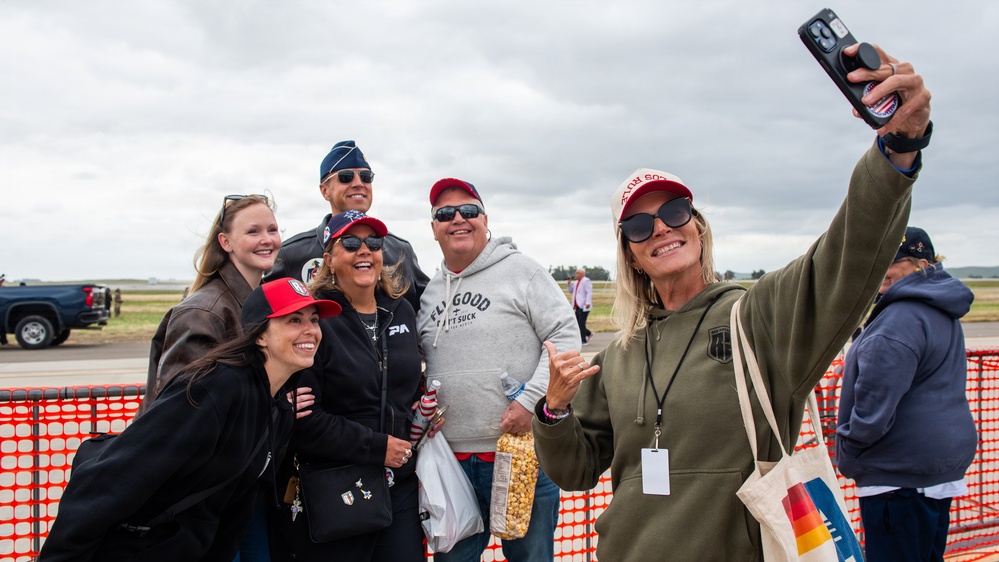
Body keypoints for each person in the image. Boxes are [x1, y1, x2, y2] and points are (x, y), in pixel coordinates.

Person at [533, 43, 932, 561]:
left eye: (675, 211)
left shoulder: (757, 318)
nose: (660, 228)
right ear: (630, 254)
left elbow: (846, 255)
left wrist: (898, 148)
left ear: (698, 228)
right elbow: (576, 472)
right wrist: (554, 410)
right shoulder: (618, 357)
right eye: (638, 224)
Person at [37, 278, 341, 561]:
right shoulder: (215, 388)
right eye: (294, 320)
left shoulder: (277, 407)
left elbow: (234, 509)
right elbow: (109, 479)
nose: (311, 331)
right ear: (260, 334)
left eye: (314, 320)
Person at [417, 178, 580, 562]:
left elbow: (566, 337)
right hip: (449, 464)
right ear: (434, 229)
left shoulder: (523, 271)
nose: (458, 219)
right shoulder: (429, 292)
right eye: (445, 214)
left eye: (468, 210)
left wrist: (530, 402)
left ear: (484, 219)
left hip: (519, 457)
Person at [270, 210, 424, 562]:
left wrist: (422, 407)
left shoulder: (400, 311)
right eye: (351, 243)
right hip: (335, 486)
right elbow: (305, 421)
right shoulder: (316, 319)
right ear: (329, 259)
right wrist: (377, 447)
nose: (364, 250)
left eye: (374, 242)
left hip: (398, 483)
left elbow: (404, 384)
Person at [836, 226, 976, 562]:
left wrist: (850, 450)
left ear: (920, 263)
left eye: (890, 259)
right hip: (936, 471)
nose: (878, 267)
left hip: (896, 478)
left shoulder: (898, 320)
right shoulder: (937, 308)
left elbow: (873, 411)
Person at [139, 194, 280, 414]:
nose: (267, 239)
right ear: (225, 242)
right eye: (253, 231)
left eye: (272, 230)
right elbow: (184, 408)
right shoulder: (202, 313)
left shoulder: (263, 301)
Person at [264, 140, 429, 313]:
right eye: (346, 177)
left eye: (366, 177)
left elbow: (426, 312)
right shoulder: (292, 254)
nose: (359, 183)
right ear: (325, 191)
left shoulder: (401, 251)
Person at [572, 268, 593, 344]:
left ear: (582, 274)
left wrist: (588, 302)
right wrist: (568, 284)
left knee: (581, 322)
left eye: (577, 273)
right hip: (577, 306)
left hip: (584, 306)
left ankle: (584, 340)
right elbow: (571, 291)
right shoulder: (576, 282)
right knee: (577, 323)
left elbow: (589, 292)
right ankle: (588, 333)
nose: (576, 274)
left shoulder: (586, 281)